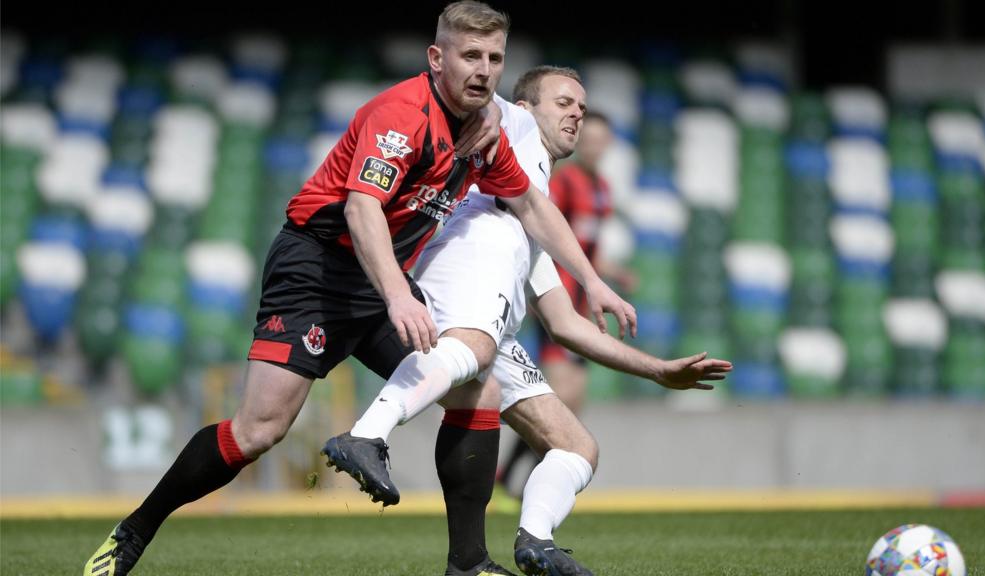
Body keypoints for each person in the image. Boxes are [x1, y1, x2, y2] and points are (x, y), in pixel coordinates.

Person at [82, 3, 634, 575]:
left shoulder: (482, 130)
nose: (484, 69)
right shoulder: (401, 115)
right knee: (259, 430)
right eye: (470, 55)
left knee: (478, 391)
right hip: (317, 268)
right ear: (436, 58)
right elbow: (362, 208)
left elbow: (530, 204)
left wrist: (592, 280)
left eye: (494, 58)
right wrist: (398, 295)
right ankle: (133, 532)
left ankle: (468, 564)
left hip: (382, 276)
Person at [322, 65, 731, 576]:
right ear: (528, 107)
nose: (576, 114)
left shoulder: (529, 216)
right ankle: (367, 434)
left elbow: (565, 324)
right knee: (474, 348)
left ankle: (536, 541)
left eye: (581, 107)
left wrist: (658, 370)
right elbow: (483, 103)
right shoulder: (511, 125)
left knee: (577, 447)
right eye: (563, 103)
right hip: (467, 255)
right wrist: (491, 104)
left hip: (496, 304)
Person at [496, 110, 635, 500]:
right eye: (588, 138)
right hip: (559, 303)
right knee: (560, 397)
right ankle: (513, 480)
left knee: (574, 400)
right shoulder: (565, 182)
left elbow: (586, 249)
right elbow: (548, 235)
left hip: (584, 306)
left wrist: (613, 274)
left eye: (601, 140)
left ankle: (517, 478)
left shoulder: (602, 188)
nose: (594, 145)